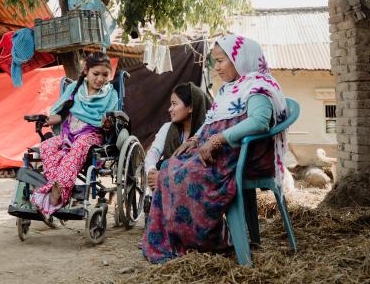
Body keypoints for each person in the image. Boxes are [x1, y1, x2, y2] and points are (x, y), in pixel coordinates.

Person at [142, 34, 289, 263]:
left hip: (238, 158)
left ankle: (205, 241)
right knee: (170, 166)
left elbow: (259, 121)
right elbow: (211, 122)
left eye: (221, 61)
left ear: (239, 59)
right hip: (222, 155)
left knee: (181, 175)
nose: (217, 67)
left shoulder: (257, 86)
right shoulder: (229, 89)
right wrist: (196, 140)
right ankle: (176, 239)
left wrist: (218, 140)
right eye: (215, 61)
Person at [30, 52, 118, 217]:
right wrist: (46, 120)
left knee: (79, 146)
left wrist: (108, 124)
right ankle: (56, 184)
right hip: (68, 133)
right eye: (96, 74)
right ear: (86, 70)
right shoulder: (74, 88)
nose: (100, 79)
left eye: (105, 75)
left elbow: (109, 122)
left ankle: (58, 191)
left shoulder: (110, 94)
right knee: (47, 145)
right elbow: (60, 115)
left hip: (91, 134)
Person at [144, 82, 212, 192]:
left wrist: (163, 178)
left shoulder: (206, 133)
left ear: (190, 107)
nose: (169, 109)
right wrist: (152, 172)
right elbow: (154, 152)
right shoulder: (167, 128)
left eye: (174, 104)